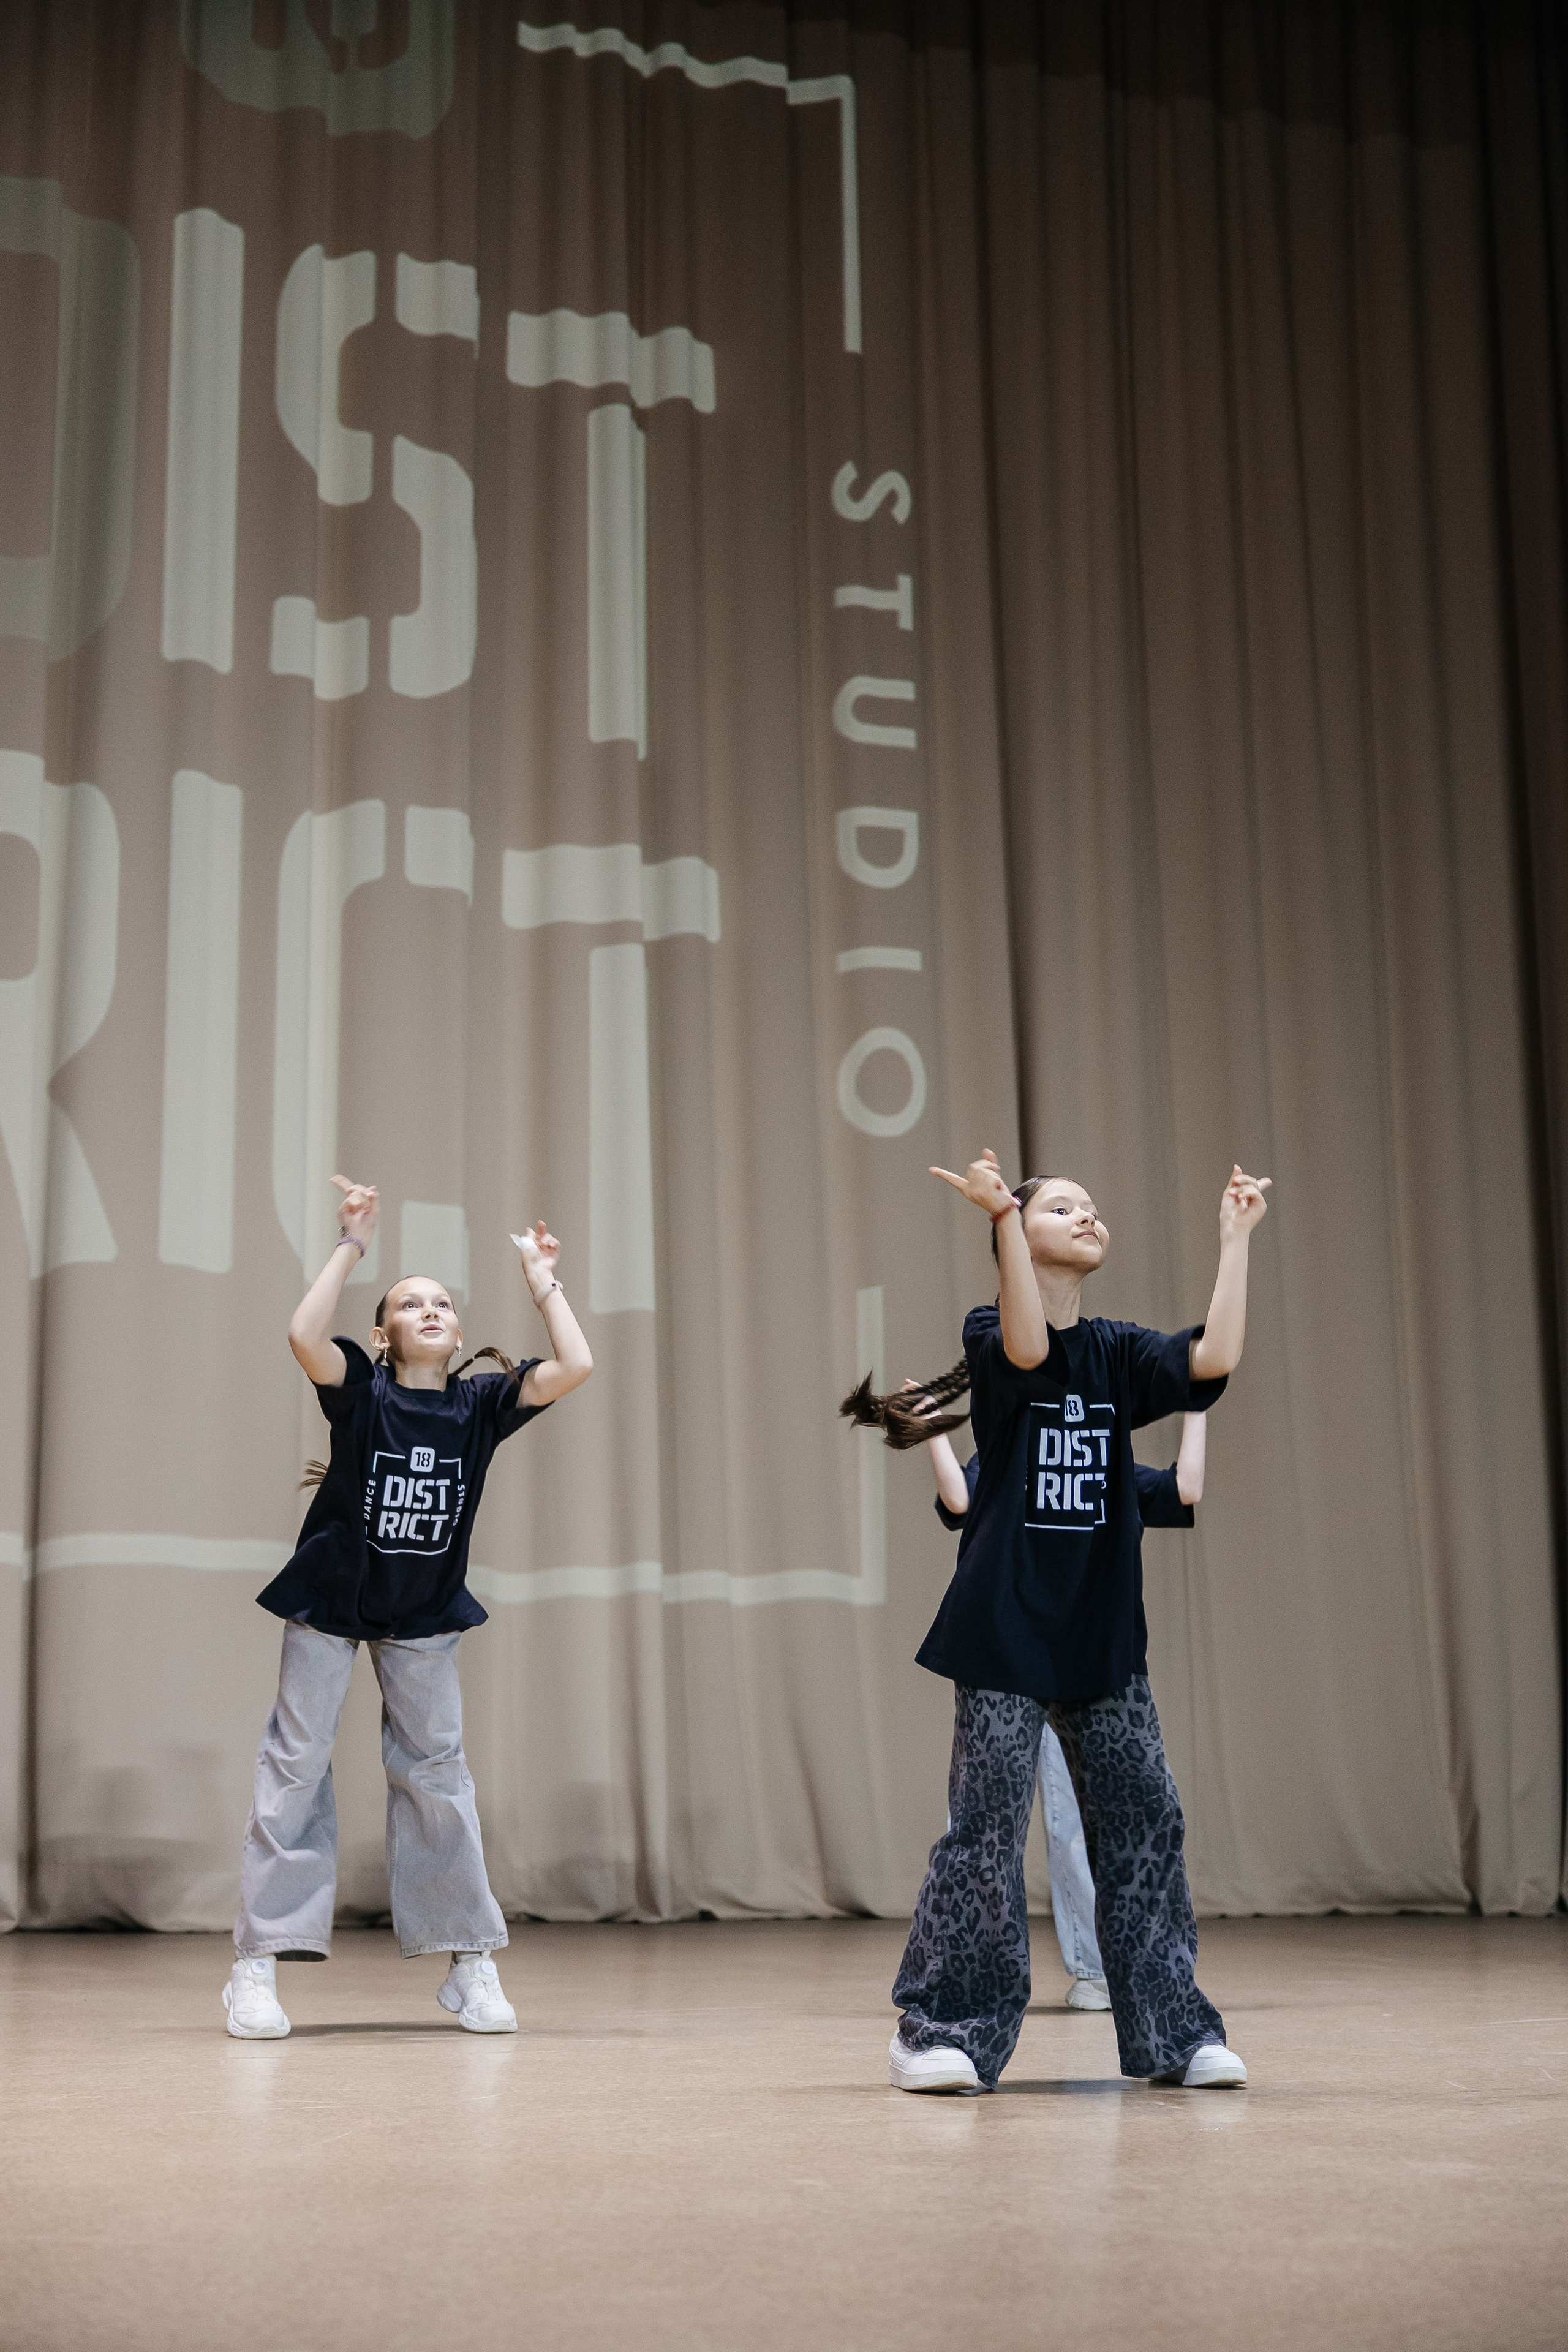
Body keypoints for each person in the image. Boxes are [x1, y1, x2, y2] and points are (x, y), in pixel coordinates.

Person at [850, 1152, 1268, 2095]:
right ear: (1018, 1231)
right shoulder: (994, 1331)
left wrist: (1233, 1243)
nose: (1089, 1215)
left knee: (1145, 1821)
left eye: (1095, 1206)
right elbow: (1033, 1351)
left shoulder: (1120, 1350)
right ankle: (939, 2031)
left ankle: (1174, 2032)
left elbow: (1210, 1362)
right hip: (1003, 1634)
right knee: (986, 1833)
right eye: (1063, 1207)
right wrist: (1001, 1216)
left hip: (1104, 1639)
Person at [223, 1176, 592, 2041]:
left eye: (441, 1303)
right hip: (329, 1601)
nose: (427, 1309)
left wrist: (544, 1279)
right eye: (408, 1302)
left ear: (457, 1333)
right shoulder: (361, 1390)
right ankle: (257, 1964)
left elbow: (574, 1366)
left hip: (423, 1615)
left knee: (438, 1777)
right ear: (385, 1335)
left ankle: (469, 1962)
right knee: (296, 1767)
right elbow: (300, 1333)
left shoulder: (478, 1406)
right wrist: (353, 1242)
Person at [920, 1406, 1207, 2011]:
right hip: (1012, 1666)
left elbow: (1184, 1489)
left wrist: (1195, 1404)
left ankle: (1099, 1970)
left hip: (1084, 1667)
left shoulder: (1107, 1465)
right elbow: (959, 1501)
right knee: (981, 1821)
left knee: (1092, 1818)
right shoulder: (1005, 1463)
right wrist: (935, 1436)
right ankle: (961, 1988)